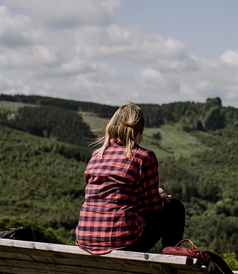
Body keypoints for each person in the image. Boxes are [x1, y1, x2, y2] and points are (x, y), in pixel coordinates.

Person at [75, 103, 185, 255]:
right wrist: (161, 197)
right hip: (122, 242)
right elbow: (153, 207)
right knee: (174, 208)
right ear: (140, 131)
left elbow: (110, 196)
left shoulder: (96, 156)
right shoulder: (144, 157)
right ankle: (172, 261)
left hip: (85, 239)